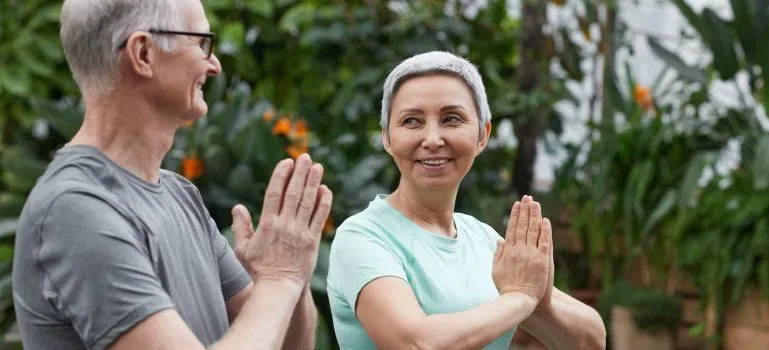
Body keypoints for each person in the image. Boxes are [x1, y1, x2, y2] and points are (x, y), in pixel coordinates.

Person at [11, 0, 332, 349]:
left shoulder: (180, 194)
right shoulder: (73, 209)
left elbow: (283, 344)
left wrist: (293, 278)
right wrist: (279, 278)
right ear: (144, 53)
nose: (215, 65)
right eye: (201, 42)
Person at [326, 51, 606, 349]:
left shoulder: (482, 239)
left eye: (451, 119)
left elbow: (592, 340)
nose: (432, 139)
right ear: (387, 138)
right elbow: (415, 343)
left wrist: (539, 304)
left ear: (482, 135)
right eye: (411, 121)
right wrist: (519, 297)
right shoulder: (362, 237)